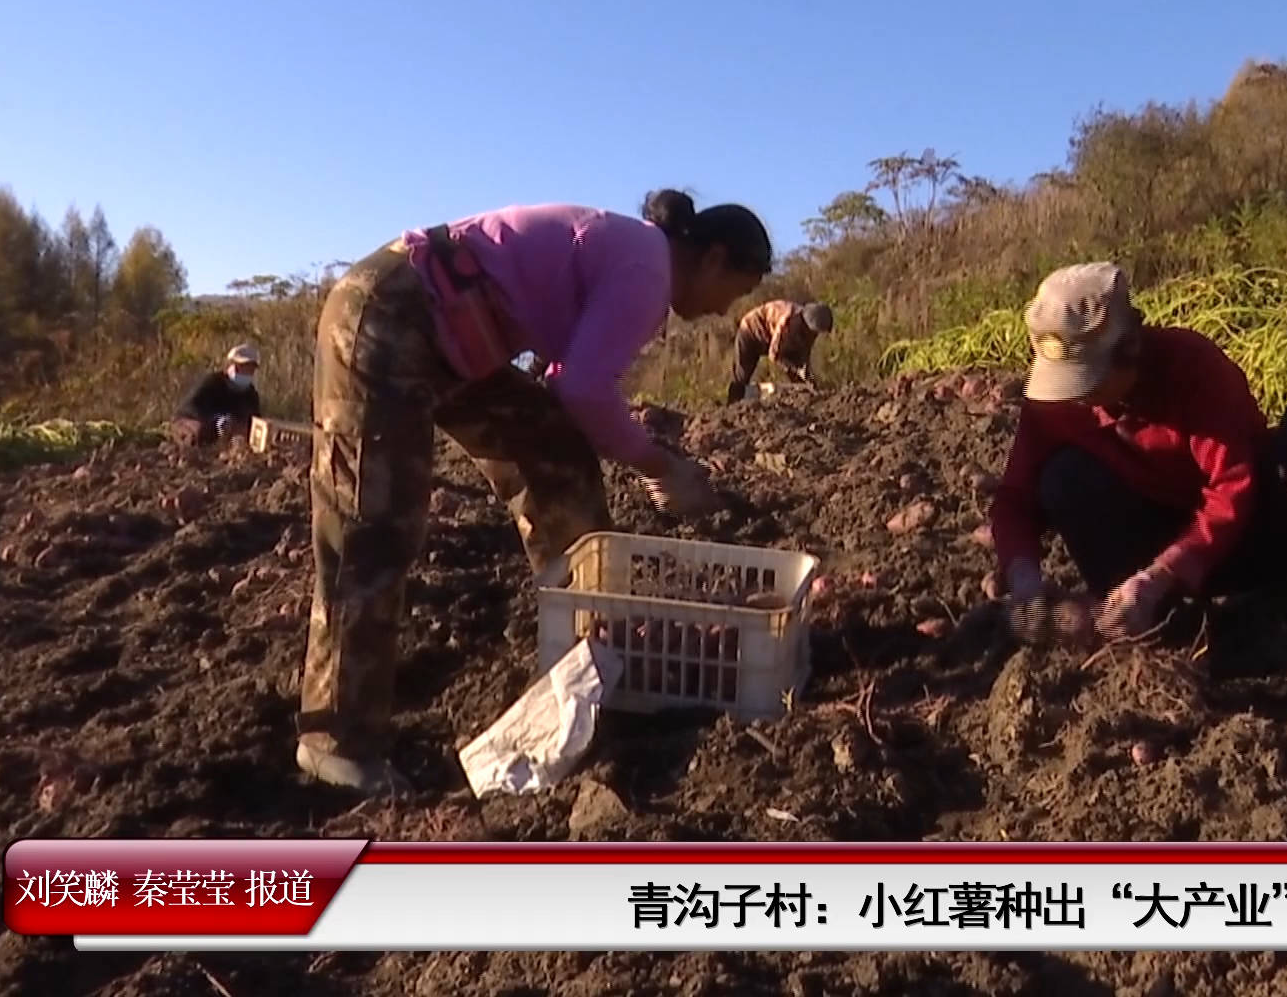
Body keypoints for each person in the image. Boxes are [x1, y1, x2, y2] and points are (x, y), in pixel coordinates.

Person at [298, 190, 773, 795]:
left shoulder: (640, 263)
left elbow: (563, 383)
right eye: (734, 291)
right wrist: (659, 467)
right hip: (389, 315)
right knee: (371, 524)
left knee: (555, 456)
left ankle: (587, 655)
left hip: (456, 338)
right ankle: (336, 741)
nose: (721, 310)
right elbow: (585, 392)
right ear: (713, 259)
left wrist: (653, 457)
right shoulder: (647, 267)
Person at [987, 262, 1287, 677]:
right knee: (1064, 476)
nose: (1079, 399)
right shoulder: (1056, 406)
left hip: (1257, 536)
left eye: (1089, 382)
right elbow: (1015, 499)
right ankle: (1135, 623)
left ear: (1132, 347)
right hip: (1156, 563)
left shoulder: (1193, 368)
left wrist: (1164, 573)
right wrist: (1024, 575)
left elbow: (1232, 489)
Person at [725, 299, 833, 404]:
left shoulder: (810, 332)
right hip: (750, 333)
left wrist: (809, 378)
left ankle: (804, 401)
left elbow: (804, 357)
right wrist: (796, 368)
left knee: (800, 378)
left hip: (771, 338)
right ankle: (732, 405)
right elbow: (774, 355)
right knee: (742, 376)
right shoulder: (786, 322)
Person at [170, 344, 263, 448]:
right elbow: (191, 407)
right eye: (241, 368)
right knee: (200, 431)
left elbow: (255, 420)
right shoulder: (212, 382)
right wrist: (216, 419)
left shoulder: (250, 394)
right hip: (193, 420)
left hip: (225, 430)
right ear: (230, 366)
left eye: (250, 370)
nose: (245, 373)